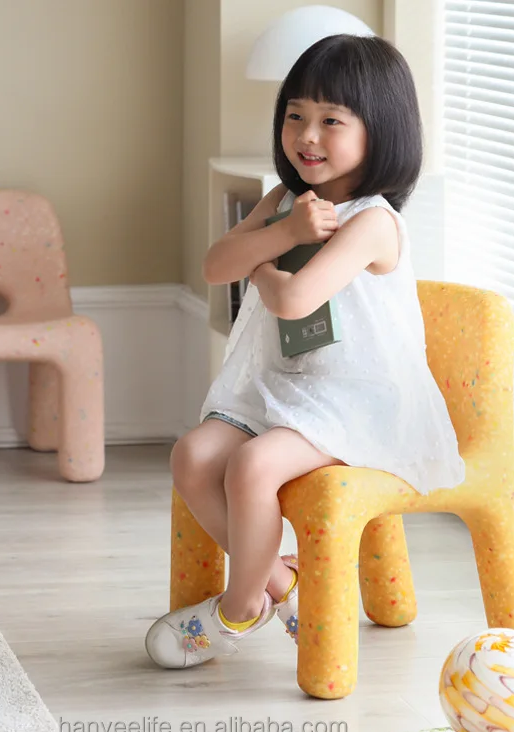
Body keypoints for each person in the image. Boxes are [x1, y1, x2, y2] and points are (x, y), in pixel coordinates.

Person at [145, 33, 465, 669]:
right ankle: (280, 584)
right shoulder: (286, 201)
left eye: (331, 121)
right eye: (295, 115)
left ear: (381, 130)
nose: (307, 136)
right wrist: (285, 230)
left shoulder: (373, 221)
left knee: (251, 467)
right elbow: (215, 266)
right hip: (284, 386)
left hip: (358, 399)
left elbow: (292, 300)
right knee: (193, 456)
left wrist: (263, 256)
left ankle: (238, 610)